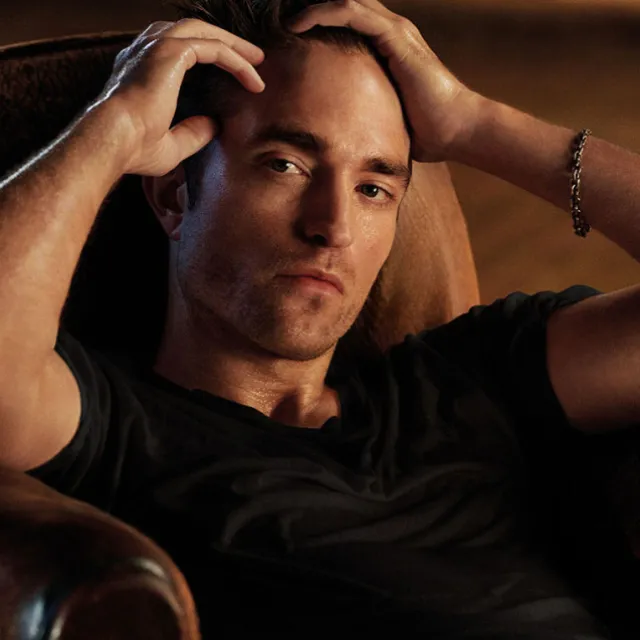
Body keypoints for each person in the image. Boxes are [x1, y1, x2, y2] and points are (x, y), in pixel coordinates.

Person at [0, 0, 639, 637]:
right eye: (286, 164)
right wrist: (110, 129)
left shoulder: (476, 376)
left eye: (373, 189)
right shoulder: (119, 431)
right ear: (174, 194)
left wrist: (473, 121)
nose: (333, 226)